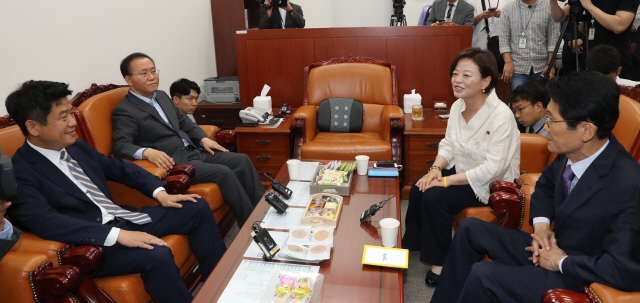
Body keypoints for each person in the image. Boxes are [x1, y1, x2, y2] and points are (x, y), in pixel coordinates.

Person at [6, 80, 227, 303]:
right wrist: (118, 235)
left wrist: (161, 193)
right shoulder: (21, 172)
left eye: (71, 113)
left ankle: (221, 287)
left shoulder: (75, 147)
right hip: (92, 245)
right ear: (33, 127)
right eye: (63, 118)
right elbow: (47, 221)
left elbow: (118, 168)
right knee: (156, 254)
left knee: (195, 206)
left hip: (123, 218)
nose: (73, 122)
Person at [431, 71, 640, 302]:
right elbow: (546, 186)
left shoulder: (629, 185)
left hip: (578, 275)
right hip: (548, 246)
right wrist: (541, 228)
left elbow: (625, 269)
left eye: (551, 118)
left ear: (586, 130)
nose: (546, 127)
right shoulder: (572, 152)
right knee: (470, 229)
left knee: (485, 275)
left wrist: (561, 262)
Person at [402, 48, 521, 287]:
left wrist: (445, 181)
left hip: (491, 184)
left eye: (467, 75)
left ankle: (441, 262)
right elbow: (449, 144)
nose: (457, 80)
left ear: (486, 81)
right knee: (419, 185)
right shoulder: (458, 106)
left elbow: (493, 169)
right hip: (462, 172)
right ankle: (413, 243)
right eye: (455, 73)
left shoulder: (501, 116)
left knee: (436, 196)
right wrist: (436, 168)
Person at [111, 53, 262, 227]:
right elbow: (121, 145)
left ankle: (263, 211)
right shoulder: (125, 110)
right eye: (144, 73)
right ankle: (252, 225)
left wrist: (203, 139)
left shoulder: (160, 96)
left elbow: (182, 121)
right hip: (176, 163)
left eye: (153, 71)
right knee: (224, 172)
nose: (152, 77)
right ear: (129, 79)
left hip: (194, 150)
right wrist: (147, 152)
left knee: (242, 159)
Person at [550, 0, 639, 79]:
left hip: (614, 60)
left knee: (612, 94)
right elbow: (559, 17)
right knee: (586, 94)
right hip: (590, 57)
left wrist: (589, 6)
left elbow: (619, 26)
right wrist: (553, 1)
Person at [500, 0, 560, 91]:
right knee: (518, 103)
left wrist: (551, 65)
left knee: (542, 103)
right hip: (517, 68)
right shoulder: (507, 9)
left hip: (542, 68)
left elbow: (553, 39)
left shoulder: (550, 7)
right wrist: (508, 63)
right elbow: (504, 39)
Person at [471, 0, 512, 72]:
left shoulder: (510, 1)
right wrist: (481, 16)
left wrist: (503, 15)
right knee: (480, 71)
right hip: (479, 44)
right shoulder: (472, 1)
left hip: (504, 45)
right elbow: (467, 23)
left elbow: (518, 20)